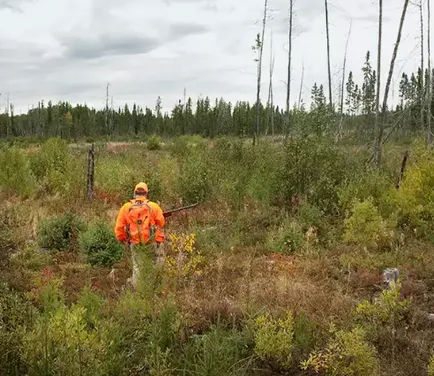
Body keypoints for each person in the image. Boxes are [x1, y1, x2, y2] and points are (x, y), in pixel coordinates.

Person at [114, 182, 165, 289]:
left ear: (134, 193)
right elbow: (161, 223)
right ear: (146, 193)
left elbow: (119, 227)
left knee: (137, 267)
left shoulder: (126, 207)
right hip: (151, 242)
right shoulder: (154, 206)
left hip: (134, 242)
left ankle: (137, 290)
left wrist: (122, 239)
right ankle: (149, 289)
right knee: (151, 265)